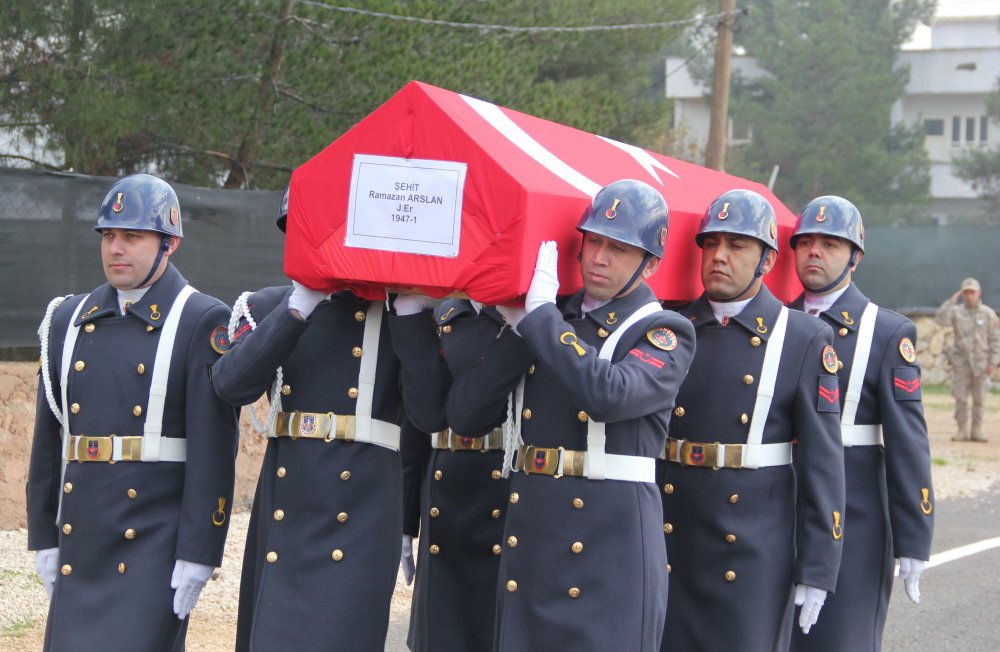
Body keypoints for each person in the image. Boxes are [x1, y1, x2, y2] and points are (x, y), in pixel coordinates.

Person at [446, 179, 696, 650]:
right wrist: (520, 330)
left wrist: (541, 320)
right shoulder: (550, 319)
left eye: (618, 248)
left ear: (651, 264)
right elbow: (465, 418)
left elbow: (609, 395)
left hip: (609, 542)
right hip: (534, 536)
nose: (598, 257)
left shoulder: (664, 330)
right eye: (593, 241)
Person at [210, 186, 447, 651]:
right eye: (297, 233)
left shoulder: (396, 313)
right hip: (287, 508)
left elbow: (430, 413)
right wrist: (296, 309)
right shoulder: (269, 306)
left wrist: (410, 313)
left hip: (360, 517)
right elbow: (230, 385)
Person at [27, 173, 240, 651]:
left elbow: (213, 448)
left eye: (132, 236)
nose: (115, 248)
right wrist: (43, 534)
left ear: (170, 243)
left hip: (151, 546)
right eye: (108, 235)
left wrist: (200, 550)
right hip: (82, 541)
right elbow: (50, 437)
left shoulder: (200, 319)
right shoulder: (67, 318)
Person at [658, 188, 846, 652]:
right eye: (710, 243)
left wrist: (818, 567)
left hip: (750, 553)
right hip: (671, 536)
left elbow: (822, 463)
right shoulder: (670, 326)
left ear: (767, 260)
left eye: (736, 245)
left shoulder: (802, 337)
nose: (719, 256)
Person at [786, 195, 935, 651]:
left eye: (830, 244)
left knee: (840, 640)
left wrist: (914, 537)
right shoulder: (776, 322)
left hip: (854, 517)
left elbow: (908, 442)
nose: (814, 252)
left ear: (855, 257)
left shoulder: (886, 332)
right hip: (780, 510)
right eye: (805, 242)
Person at [399, 299, 512, 651]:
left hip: (508, 480)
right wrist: (406, 522)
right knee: (441, 629)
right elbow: (414, 425)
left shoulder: (528, 315)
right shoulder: (440, 314)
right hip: (446, 482)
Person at [935, 276, 999, 442]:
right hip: (961, 364)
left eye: (972, 292)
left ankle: (977, 431)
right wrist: (950, 303)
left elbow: (995, 340)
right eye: (966, 293)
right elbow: (941, 320)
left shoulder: (988, 314)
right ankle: (962, 431)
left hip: (981, 364)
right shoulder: (956, 312)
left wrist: (993, 363)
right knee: (960, 399)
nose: (969, 296)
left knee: (979, 400)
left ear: (979, 293)